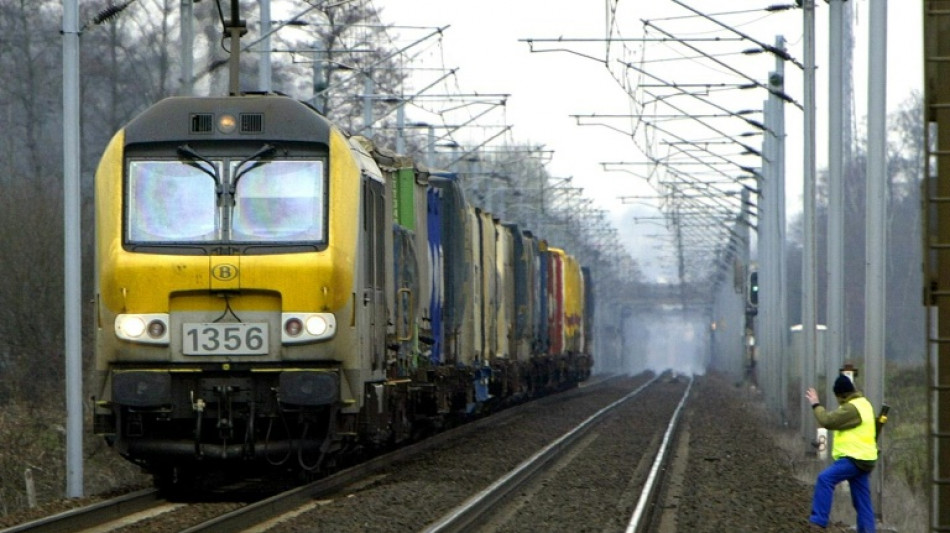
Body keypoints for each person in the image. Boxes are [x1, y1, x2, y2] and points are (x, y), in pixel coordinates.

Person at [804, 374, 877, 532]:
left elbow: (827, 421)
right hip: (865, 459)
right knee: (862, 502)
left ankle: (818, 521)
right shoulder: (864, 404)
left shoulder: (851, 408)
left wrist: (815, 404)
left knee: (825, 479)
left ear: (841, 394)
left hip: (854, 458)